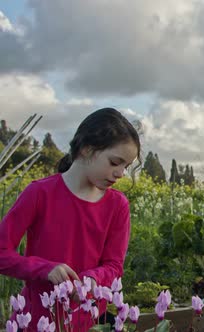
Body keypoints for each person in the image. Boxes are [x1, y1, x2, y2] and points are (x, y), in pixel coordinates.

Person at [0, 108, 141, 329]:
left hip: (89, 322)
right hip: (36, 319)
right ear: (86, 149)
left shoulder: (118, 205)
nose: (121, 173)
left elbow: (114, 265)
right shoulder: (39, 193)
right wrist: (44, 269)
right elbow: (2, 253)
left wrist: (92, 278)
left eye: (127, 166)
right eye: (115, 162)